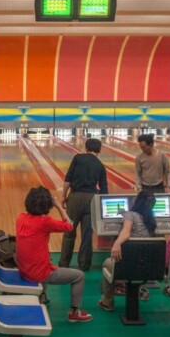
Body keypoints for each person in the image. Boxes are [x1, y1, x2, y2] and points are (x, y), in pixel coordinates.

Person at [16, 186, 93, 322]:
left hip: (23, 270)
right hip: (38, 274)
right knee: (79, 276)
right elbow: (69, 226)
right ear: (48, 205)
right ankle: (74, 312)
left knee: (45, 259)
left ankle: (42, 296)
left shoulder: (21, 218)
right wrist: (58, 205)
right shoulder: (45, 222)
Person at [98, 189, 157, 311]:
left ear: (136, 201)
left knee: (107, 263)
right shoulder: (151, 221)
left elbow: (126, 232)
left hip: (128, 265)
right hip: (148, 266)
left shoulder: (129, 215)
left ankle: (107, 302)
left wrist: (117, 243)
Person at [60, 138, 108, 271]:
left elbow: (68, 179)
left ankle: (64, 263)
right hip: (91, 199)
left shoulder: (77, 158)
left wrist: (63, 196)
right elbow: (104, 190)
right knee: (87, 234)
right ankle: (84, 265)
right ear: (99, 150)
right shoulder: (100, 165)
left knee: (69, 231)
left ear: (86, 148)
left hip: (75, 198)